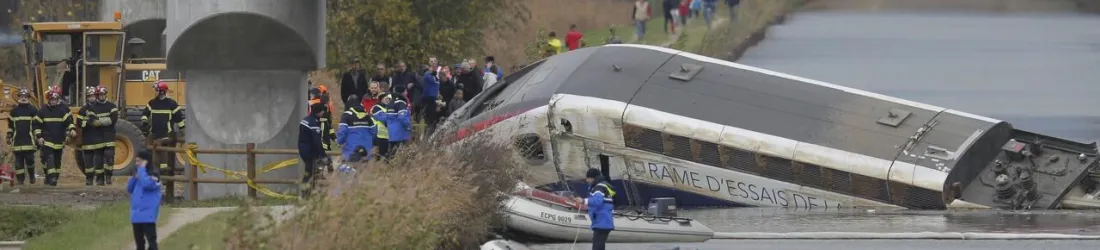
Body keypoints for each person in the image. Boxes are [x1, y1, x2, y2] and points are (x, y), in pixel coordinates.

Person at [142, 81, 185, 177]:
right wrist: (144, 122)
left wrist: (182, 130)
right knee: (152, 154)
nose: (155, 92)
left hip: (166, 134)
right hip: (154, 133)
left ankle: (165, 176)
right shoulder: (152, 103)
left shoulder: (171, 104)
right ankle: (155, 175)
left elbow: (179, 118)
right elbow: (145, 114)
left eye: (156, 90)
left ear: (162, 91)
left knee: (164, 156)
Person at [36, 86, 75, 186]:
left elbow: (69, 122)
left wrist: (71, 131)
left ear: (58, 99)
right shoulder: (43, 110)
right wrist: (39, 137)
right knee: (49, 158)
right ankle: (52, 177)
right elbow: (36, 125)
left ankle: (54, 177)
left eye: (55, 99)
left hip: (59, 140)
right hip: (47, 140)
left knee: (57, 161)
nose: (53, 101)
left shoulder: (63, 110)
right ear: (49, 99)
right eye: (51, 99)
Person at [575, 168, 616, 250]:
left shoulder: (599, 187)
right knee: (599, 245)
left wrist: (583, 201)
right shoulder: (600, 186)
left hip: (602, 222)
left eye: (588, 178)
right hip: (602, 222)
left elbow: (598, 201)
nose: (586, 180)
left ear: (592, 178)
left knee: (597, 246)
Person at [128, 151, 161, 250]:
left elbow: (147, 184)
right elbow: (129, 189)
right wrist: (134, 177)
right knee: (139, 242)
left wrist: (142, 170)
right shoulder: (139, 175)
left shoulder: (154, 175)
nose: (137, 163)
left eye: (139, 161)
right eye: (136, 161)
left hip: (148, 215)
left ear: (146, 162)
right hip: (136, 215)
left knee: (151, 242)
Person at [298, 102, 330, 197]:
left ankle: (307, 192)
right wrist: (323, 155)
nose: (323, 113)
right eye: (322, 111)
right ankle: (306, 194)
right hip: (310, 151)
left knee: (309, 172)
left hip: (303, 149)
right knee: (309, 173)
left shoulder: (305, 120)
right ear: (318, 112)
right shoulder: (313, 123)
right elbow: (317, 141)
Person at [8, 88, 38, 185]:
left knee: (30, 161)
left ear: (28, 98)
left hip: (29, 141)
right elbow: (10, 126)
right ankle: (20, 181)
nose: (23, 98)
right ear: (19, 97)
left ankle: (32, 176)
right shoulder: (14, 111)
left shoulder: (33, 110)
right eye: (22, 96)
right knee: (18, 164)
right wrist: (8, 136)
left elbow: (36, 126)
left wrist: (38, 136)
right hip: (17, 141)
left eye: (25, 97)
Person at [337, 94, 378, 162]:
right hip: (366, 150)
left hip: (351, 150)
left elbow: (343, 131)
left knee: (350, 170)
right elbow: (374, 131)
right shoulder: (367, 115)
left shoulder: (347, 115)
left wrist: (339, 141)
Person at [94, 85, 120, 185]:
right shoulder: (93, 107)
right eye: (100, 94)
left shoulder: (112, 106)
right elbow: (91, 120)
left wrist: (99, 122)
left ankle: (108, 177)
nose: (102, 96)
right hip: (97, 137)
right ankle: (100, 179)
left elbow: (113, 119)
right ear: (97, 95)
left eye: (103, 94)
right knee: (98, 160)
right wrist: (105, 121)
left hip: (109, 136)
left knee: (109, 157)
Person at [76, 86, 100, 185]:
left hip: (99, 138)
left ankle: (99, 179)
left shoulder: (100, 108)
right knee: (88, 161)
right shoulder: (83, 110)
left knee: (99, 160)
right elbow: (79, 122)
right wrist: (88, 122)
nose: (91, 98)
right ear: (87, 98)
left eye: (93, 96)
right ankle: (89, 179)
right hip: (87, 139)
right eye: (90, 96)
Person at [369, 93, 395, 161]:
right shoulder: (376, 108)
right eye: (386, 99)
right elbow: (383, 119)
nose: (388, 100)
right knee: (380, 155)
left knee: (389, 155)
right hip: (379, 135)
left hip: (389, 135)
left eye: (389, 99)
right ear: (381, 99)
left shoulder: (389, 107)